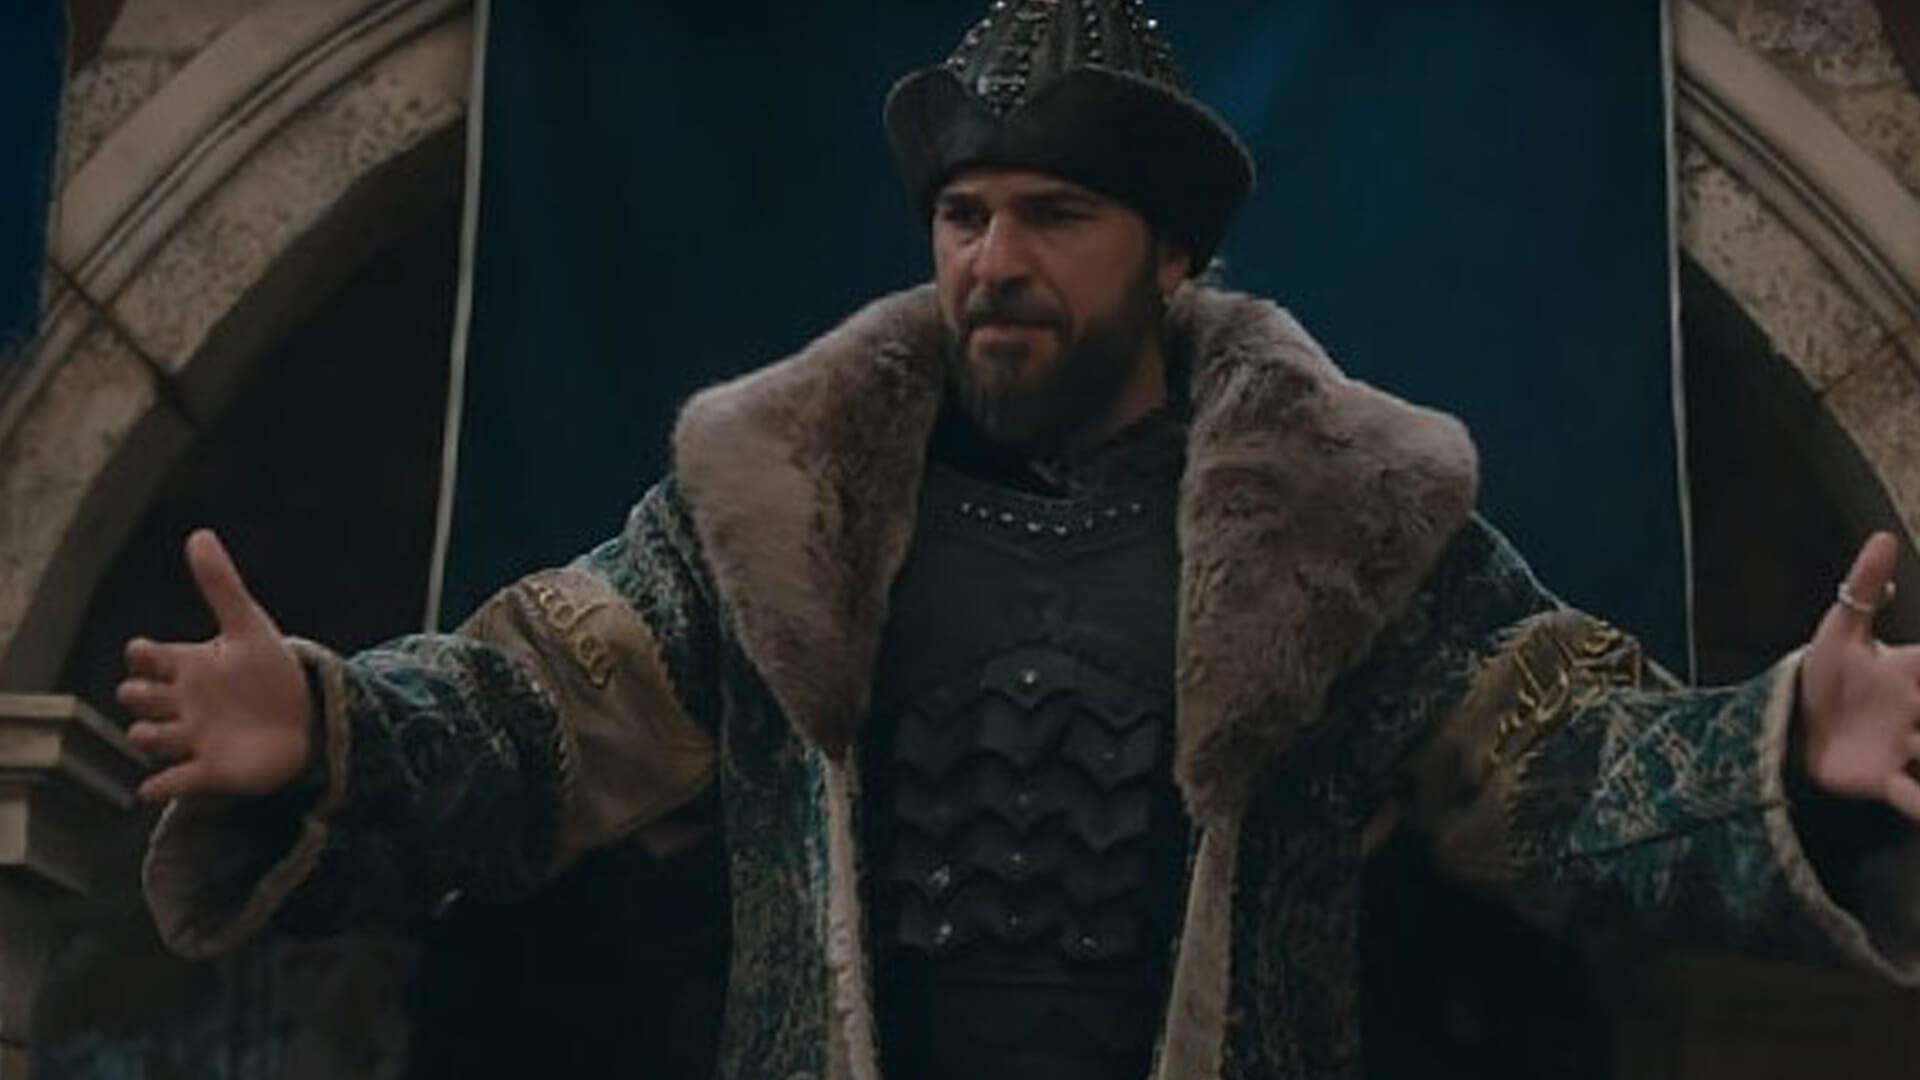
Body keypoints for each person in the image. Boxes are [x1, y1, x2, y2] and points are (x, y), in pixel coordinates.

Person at [119, 2, 1920, 1078]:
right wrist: (333, 730)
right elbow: (529, 717)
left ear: (1174, 253)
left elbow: (1568, 766)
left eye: (1055, 213)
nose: (995, 259)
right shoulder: (775, 510)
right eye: (966, 214)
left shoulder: (1346, 526)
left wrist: (1783, 751)